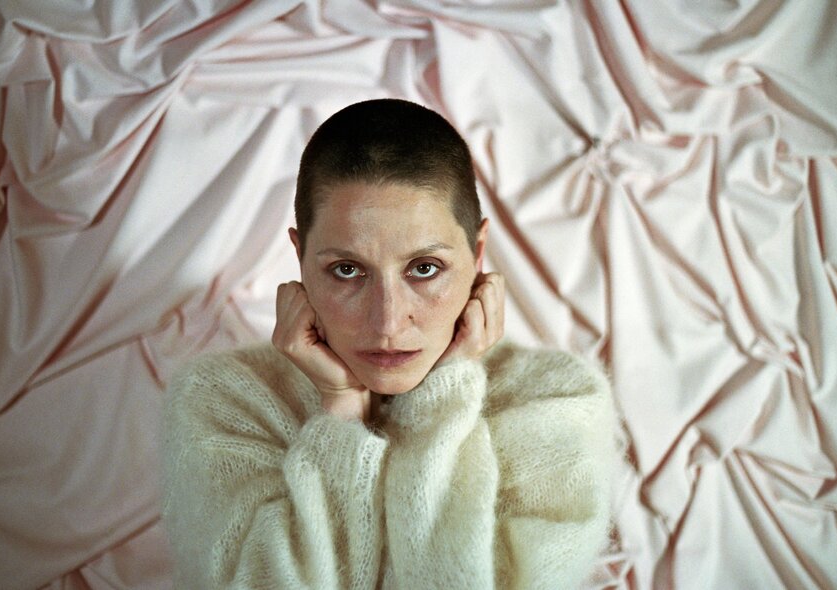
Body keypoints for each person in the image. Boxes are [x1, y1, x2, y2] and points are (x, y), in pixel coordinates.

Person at [162, 99, 617, 589]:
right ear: (300, 257)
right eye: (347, 270)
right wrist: (338, 414)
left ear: (478, 255)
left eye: (424, 269)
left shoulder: (554, 400)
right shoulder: (225, 399)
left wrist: (442, 398)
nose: (387, 321)